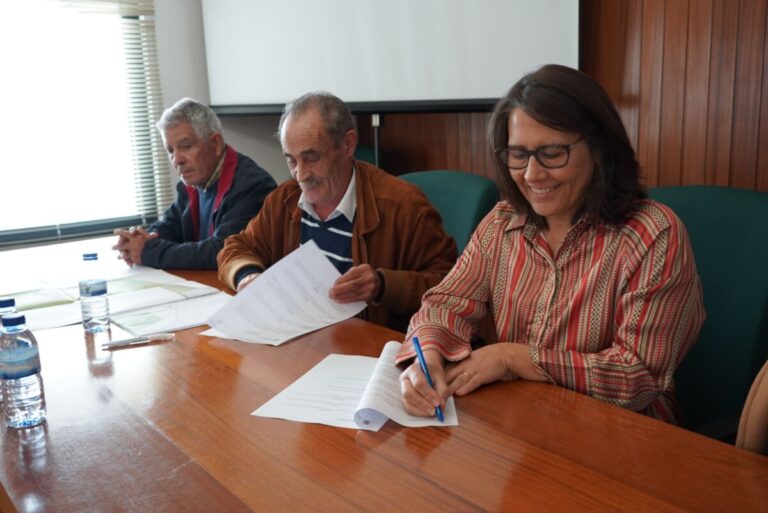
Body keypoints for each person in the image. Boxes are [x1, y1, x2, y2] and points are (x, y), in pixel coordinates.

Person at [398, 64, 705, 424]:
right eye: (518, 154)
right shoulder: (503, 222)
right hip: (522, 422)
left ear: (599, 149)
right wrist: (428, 355)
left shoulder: (653, 234)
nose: (531, 174)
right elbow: (446, 303)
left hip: (622, 433)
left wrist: (515, 358)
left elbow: (639, 376)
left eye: (552, 153)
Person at [217, 92, 457, 331]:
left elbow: (452, 288)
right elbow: (236, 247)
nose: (300, 174)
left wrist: (383, 285)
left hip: (367, 350)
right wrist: (247, 277)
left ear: (348, 144)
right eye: (291, 160)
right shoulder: (285, 199)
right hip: (299, 341)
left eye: (311, 158)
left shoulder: (404, 206)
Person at [112, 98, 276, 269]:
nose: (177, 159)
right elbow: (169, 226)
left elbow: (222, 251)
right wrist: (138, 239)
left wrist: (148, 251)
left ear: (216, 143)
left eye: (186, 146)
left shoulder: (253, 186)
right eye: (170, 150)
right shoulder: (192, 183)